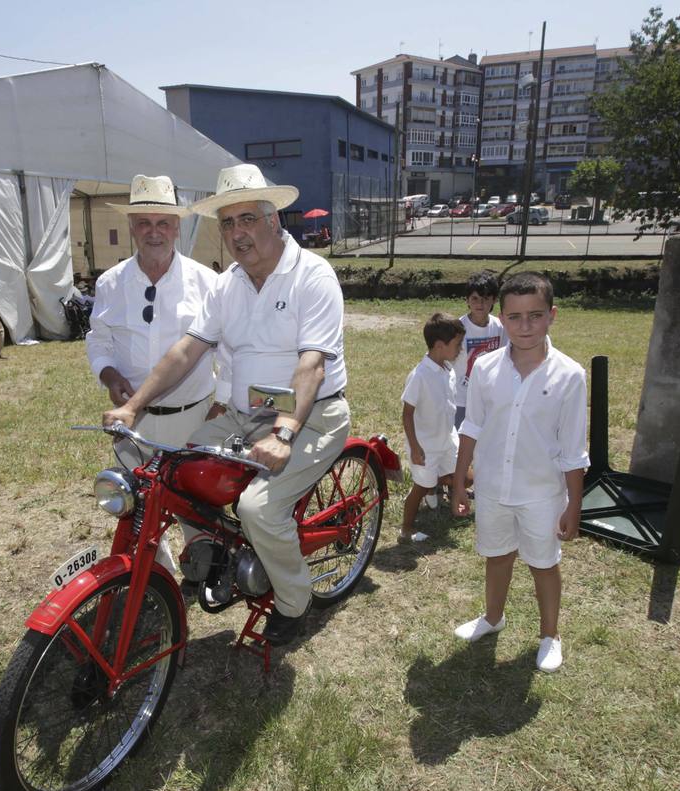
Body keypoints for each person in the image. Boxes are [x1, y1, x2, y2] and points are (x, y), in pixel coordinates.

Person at [104, 163, 350, 646]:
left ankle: (294, 601)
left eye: (248, 220)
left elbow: (312, 363)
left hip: (310, 416)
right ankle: (219, 553)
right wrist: (133, 405)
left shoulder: (313, 275)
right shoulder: (228, 283)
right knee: (171, 473)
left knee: (258, 508)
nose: (238, 233)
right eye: (228, 223)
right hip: (245, 414)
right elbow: (186, 351)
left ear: (273, 220)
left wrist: (283, 434)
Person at [450, 272, 588, 674]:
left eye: (535, 316)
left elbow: (573, 449)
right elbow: (471, 427)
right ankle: (493, 617)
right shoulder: (486, 367)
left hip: (541, 492)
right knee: (497, 555)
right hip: (492, 486)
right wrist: (460, 482)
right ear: (502, 317)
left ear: (552, 316)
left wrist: (573, 505)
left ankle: (550, 634)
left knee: (543, 562)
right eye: (514, 317)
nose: (524, 327)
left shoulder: (570, 375)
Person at [85, 174, 221, 572]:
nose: (154, 232)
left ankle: (204, 565)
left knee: (197, 506)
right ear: (131, 226)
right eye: (144, 223)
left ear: (177, 226)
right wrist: (109, 376)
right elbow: (99, 340)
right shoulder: (111, 282)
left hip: (191, 418)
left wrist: (224, 402)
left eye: (163, 223)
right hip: (134, 425)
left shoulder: (206, 282)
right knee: (138, 507)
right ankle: (154, 575)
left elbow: (228, 350)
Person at [399, 313, 465, 543]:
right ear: (440, 345)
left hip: (447, 440)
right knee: (420, 487)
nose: (460, 349)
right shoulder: (420, 376)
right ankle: (406, 531)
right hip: (426, 446)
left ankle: (433, 486)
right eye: (457, 345)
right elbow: (407, 415)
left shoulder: (449, 370)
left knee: (465, 478)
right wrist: (415, 448)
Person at [456, 271, 505, 428]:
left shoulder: (500, 327)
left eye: (485, 299)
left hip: (490, 398)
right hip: (462, 398)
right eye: (475, 298)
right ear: (467, 301)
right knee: (461, 444)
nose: (480, 304)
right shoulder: (457, 328)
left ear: (494, 300)